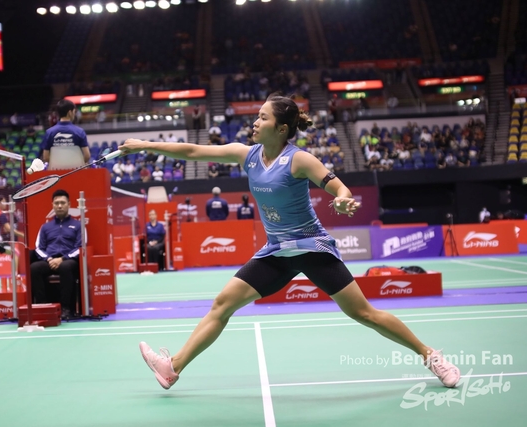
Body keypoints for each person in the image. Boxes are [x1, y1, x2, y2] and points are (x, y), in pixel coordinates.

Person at [119, 93, 461, 390]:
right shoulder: (247, 155)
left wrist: (343, 199)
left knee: (364, 313)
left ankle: (430, 356)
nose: (255, 122)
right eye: (257, 116)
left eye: (263, 117)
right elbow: (193, 150)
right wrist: (145, 145)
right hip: (276, 252)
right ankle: (173, 367)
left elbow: (338, 186)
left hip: (311, 248)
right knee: (222, 304)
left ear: (281, 129)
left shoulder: (299, 159)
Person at [31, 189, 82, 319]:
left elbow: (80, 247)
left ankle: (66, 308)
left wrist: (62, 259)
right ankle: (43, 307)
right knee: (34, 268)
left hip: (69, 261)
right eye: (57, 203)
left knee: (65, 267)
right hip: (49, 260)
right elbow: (39, 248)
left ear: (69, 204)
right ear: (52, 205)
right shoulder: (45, 227)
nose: (59, 206)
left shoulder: (78, 225)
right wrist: (49, 259)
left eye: (63, 203)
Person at [42, 99, 91, 169]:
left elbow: (45, 157)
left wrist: (58, 165)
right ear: (69, 112)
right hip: (76, 171)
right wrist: (78, 164)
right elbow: (87, 155)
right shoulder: (80, 132)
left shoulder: (49, 132)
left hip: (56, 172)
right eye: (74, 111)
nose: (74, 114)